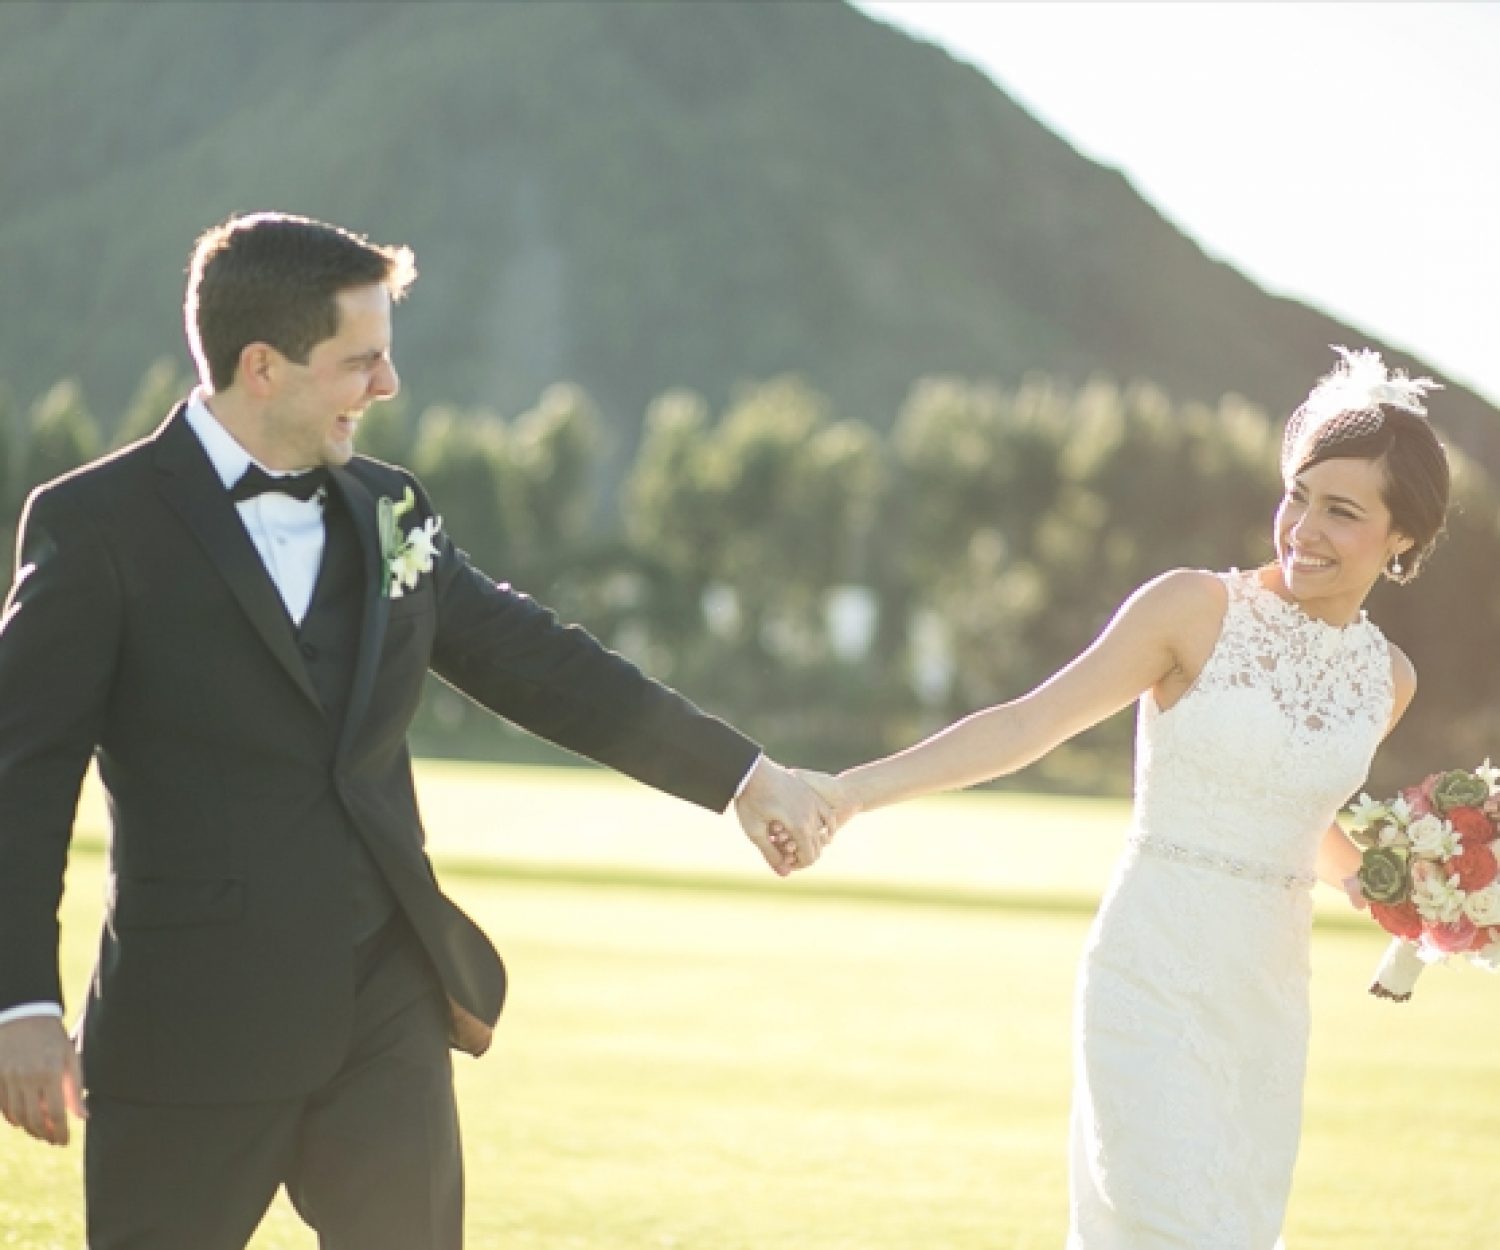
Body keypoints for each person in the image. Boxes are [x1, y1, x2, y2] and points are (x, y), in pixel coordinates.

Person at [0, 211, 832, 1250]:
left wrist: (742, 774)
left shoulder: (392, 510)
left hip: (383, 1004)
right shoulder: (96, 523)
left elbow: (541, 663)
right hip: (191, 1022)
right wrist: (18, 1001)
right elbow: (21, 779)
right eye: (363, 361)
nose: (387, 387)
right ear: (262, 364)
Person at [798, 347, 1450, 1248]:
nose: (1303, 527)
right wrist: (846, 793)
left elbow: (1297, 826)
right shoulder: (1190, 610)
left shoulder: (1388, 680)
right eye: (1298, 495)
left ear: (1402, 537)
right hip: (1152, 970)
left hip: (1265, 1001)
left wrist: (1428, 891)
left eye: (1342, 512)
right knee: (1167, 1222)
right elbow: (1027, 725)